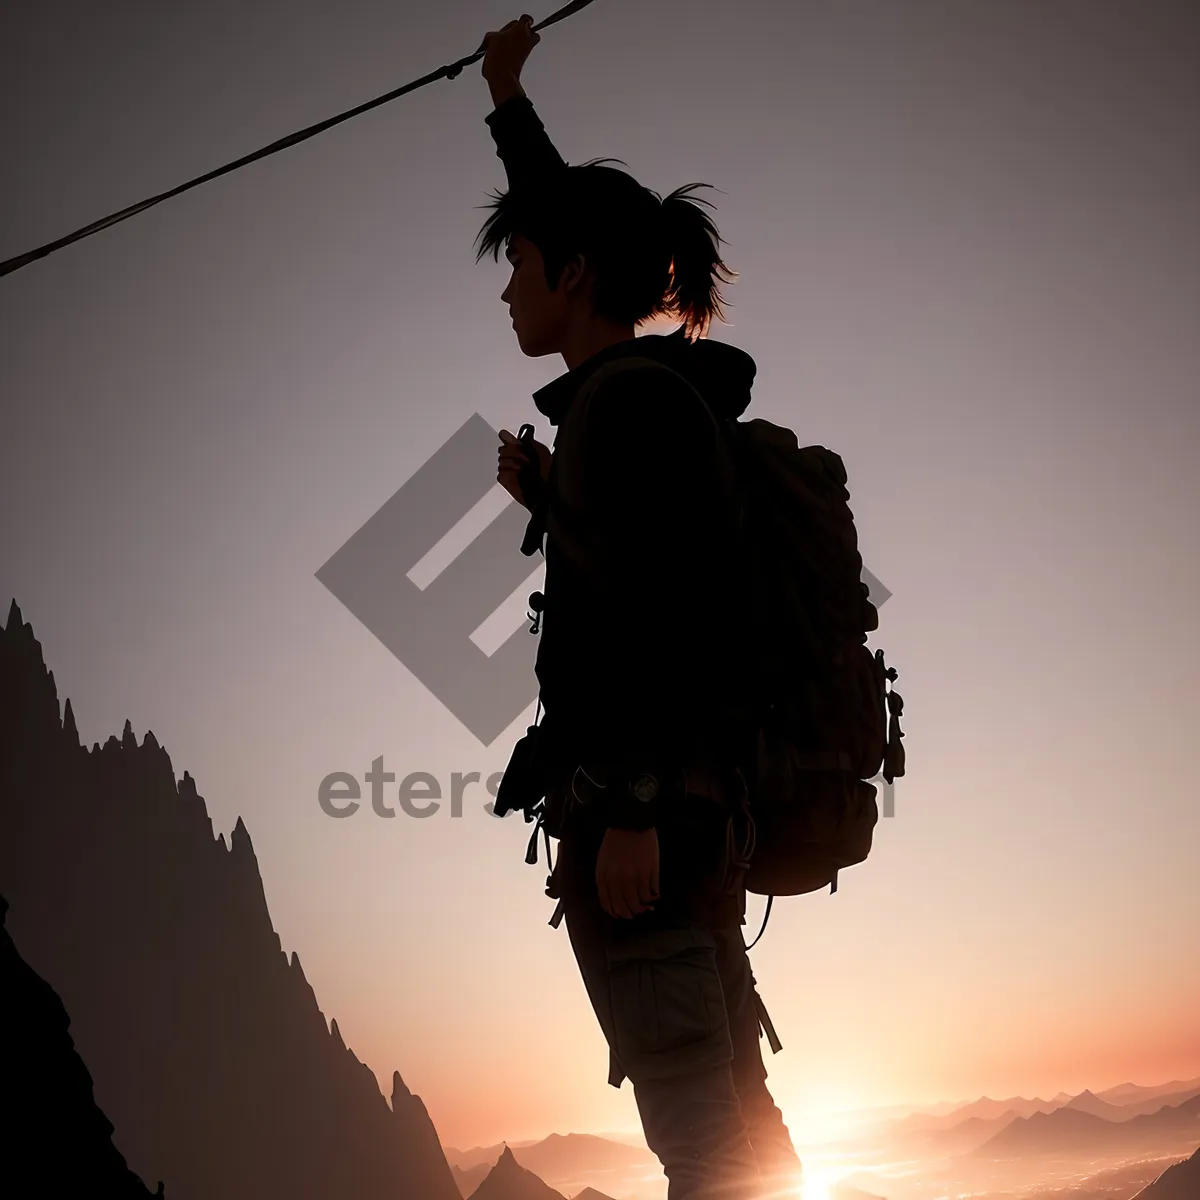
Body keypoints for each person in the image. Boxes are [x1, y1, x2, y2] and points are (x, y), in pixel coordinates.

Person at [478, 17, 804, 1200]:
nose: (508, 291)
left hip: (645, 840)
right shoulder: (649, 406)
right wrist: (506, 97)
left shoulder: (625, 410)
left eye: (520, 266)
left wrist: (630, 803)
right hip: (691, 834)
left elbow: (664, 619)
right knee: (743, 1131)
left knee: (705, 1151)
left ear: (572, 274)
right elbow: (656, 574)